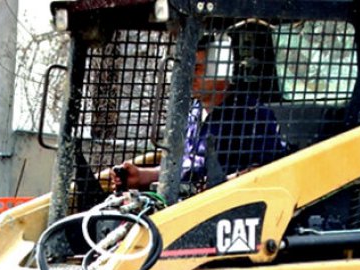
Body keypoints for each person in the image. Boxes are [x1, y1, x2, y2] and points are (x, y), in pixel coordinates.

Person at [113, 22, 288, 193]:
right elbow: (186, 168)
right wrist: (142, 176)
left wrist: (222, 184)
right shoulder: (190, 112)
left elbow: (272, 168)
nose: (188, 76)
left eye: (196, 68)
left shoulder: (252, 114)